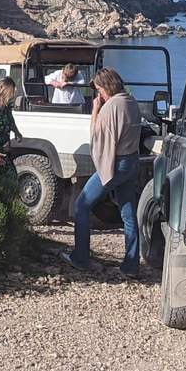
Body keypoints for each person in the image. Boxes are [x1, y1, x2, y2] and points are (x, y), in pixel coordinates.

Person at [60, 68, 142, 278]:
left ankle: (80, 258)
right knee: (128, 215)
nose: (100, 95)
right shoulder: (131, 101)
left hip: (116, 164)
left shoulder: (110, 107)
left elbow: (96, 137)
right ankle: (131, 265)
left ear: (106, 86)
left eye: (99, 90)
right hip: (132, 161)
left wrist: (95, 109)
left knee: (82, 205)